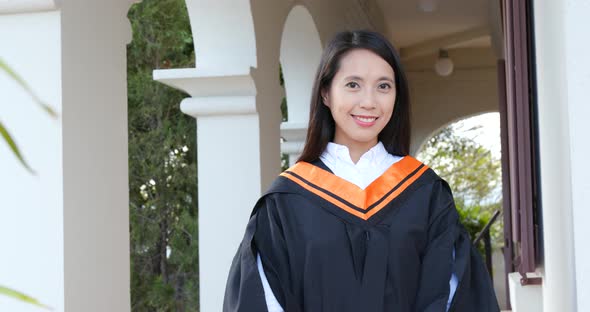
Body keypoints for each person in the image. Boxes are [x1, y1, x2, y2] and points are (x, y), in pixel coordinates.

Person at [223, 30, 500, 312]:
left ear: (396, 96)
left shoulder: (425, 194)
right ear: (326, 93)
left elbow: (452, 291)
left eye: (383, 86)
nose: (369, 102)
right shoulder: (286, 201)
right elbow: (264, 299)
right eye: (353, 85)